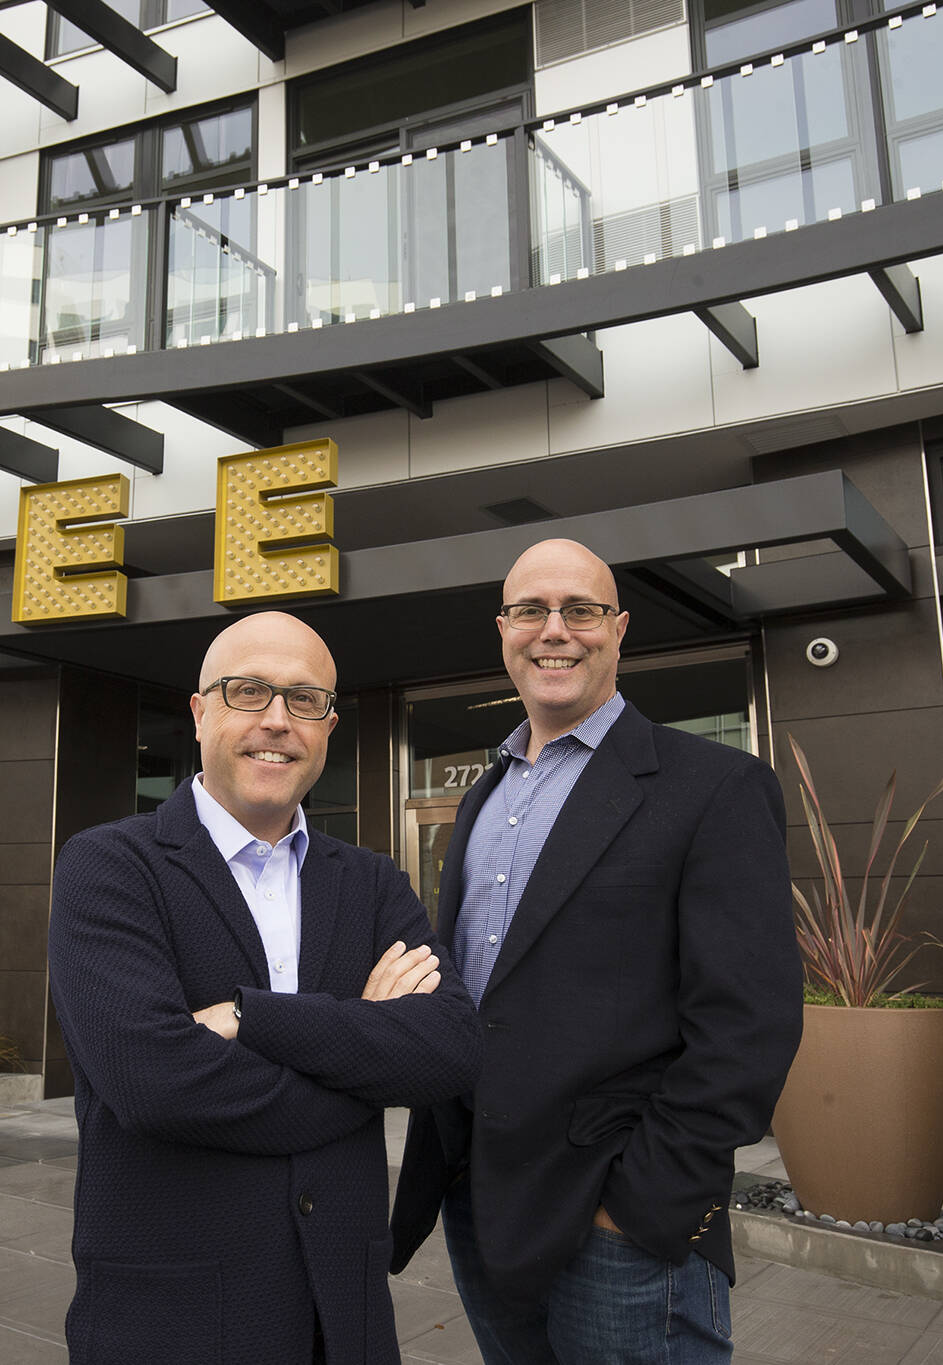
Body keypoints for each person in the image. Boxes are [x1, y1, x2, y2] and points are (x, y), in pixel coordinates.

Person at [389, 539, 802, 1365]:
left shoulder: (714, 786)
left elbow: (747, 1024)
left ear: (618, 629)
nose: (555, 631)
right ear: (503, 629)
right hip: (479, 1198)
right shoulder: (484, 794)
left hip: (617, 1223)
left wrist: (641, 1204)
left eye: (579, 610)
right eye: (531, 611)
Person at [50, 610, 481, 1365]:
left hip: (342, 1321)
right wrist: (363, 1043)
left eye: (304, 699)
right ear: (199, 712)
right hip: (172, 1321)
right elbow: (157, 1082)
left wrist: (253, 1020)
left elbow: (450, 1046)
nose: (277, 720)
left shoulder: (373, 882)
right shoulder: (109, 867)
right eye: (249, 691)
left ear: (329, 724)